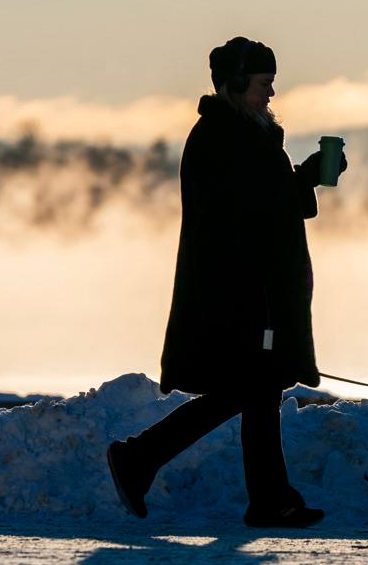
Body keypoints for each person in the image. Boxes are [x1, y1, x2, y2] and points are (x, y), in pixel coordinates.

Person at [106, 36, 347, 528]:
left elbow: (270, 203)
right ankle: (142, 458)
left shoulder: (244, 135)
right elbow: (245, 218)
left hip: (247, 292)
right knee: (252, 389)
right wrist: (298, 184)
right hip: (238, 294)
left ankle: (264, 498)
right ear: (235, 84)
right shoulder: (222, 139)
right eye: (264, 84)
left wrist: (307, 178)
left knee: (256, 390)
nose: (271, 94)